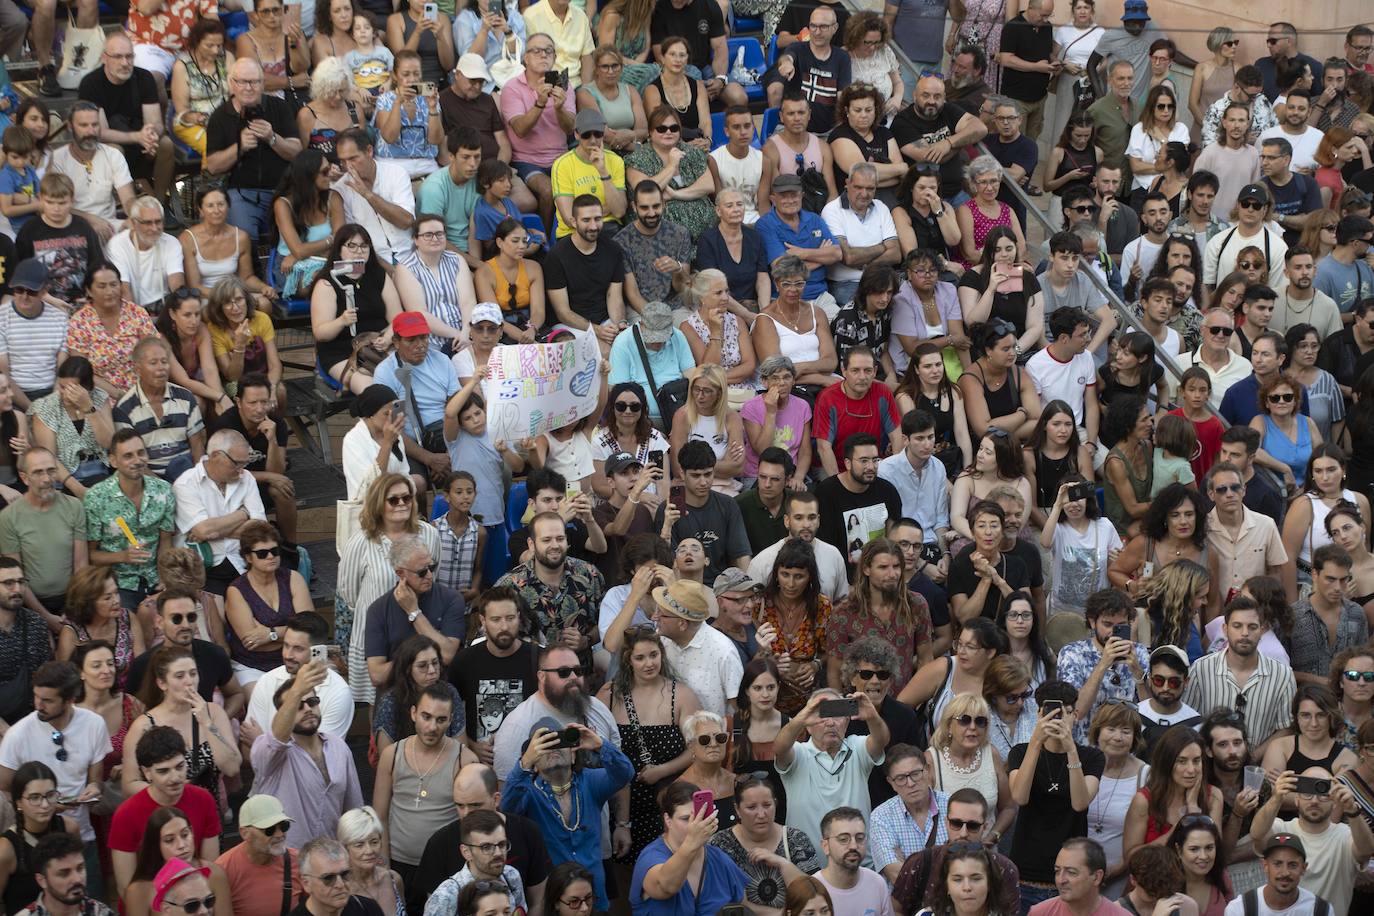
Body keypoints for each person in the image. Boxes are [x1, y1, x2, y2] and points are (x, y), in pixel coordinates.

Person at [0, 661, 109, 880]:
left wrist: (93, 790)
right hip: (34, 843)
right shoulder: (18, 735)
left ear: (69, 700)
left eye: (47, 700)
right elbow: (5, 788)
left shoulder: (94, 724)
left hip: (81, 837)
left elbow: (96, 780)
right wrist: (40, 807)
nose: (38, 704)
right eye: (36, 696)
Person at [107, 725, 221, 896]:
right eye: (163, 771)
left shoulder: (203, 799)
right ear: (147, 773)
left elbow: (210, 867)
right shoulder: (126, 814)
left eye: (180, 766)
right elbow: (126, 888)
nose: (175, 778)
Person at [204, 59, 304, 243]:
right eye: (242, 82)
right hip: (241, 193)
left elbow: (296, 151)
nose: (248, 88)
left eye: (254, 82)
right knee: (244, 239)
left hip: (281, 190)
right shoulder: (220, 116)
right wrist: (239, 147)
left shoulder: (279, 107)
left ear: (263, 84)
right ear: (232, 84)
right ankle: (251, 272)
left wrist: (272, 138)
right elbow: (213, 166)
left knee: (296, 236)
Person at [1183, 598, 1297, 755]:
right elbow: (1187, 721)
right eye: (1237, 626)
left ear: (1262, 630)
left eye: (1252, 627)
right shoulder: (1201, 669)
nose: (1245, 633)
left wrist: (1252, 757)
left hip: (1258, 768)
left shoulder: (1283, 675)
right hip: (1209, 766)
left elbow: (1286, 728)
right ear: (1225, 629)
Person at [0, 448, 86, 623]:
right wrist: (46, 617)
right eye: (38, 472)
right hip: (29, 601)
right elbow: (16, 574)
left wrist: (73, 606)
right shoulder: (9, 517)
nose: (47, 479)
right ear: (24, 478)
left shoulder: (74, 506)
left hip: (73, 596)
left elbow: (81, 564)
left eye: (51, 471)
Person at [422, 809, 529, 916]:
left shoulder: (511, 876)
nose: (498, 853)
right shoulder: (446, 896)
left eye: (501, 844)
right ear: (466, 852)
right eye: (486, 847)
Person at [820, 164, 900, 308]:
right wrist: (882, 247)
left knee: (907, 304)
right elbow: (848, 257)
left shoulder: (881, 207)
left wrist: (865, 264)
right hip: (845, 284)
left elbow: (895, 254)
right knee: (865, 309)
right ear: (847, 184)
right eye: (858, 187)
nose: (864, 194)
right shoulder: (832, 210)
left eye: (870, 188)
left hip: (881, 280)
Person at [614, 183, 691, 313]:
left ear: (664, 204)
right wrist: (655, 319)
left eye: (656, 206)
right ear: (634, 207)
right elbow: (632, 294)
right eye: (644, 208)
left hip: (676, 307)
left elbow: (683, 288)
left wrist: (677, 269)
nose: (651, 213)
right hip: (640, 310)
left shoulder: (680, 234)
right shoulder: (622, 240)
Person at [18, 832, 114, 916]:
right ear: (42, 880)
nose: (77, 879)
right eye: (64, 873)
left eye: (80, 868)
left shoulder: (102, 913)